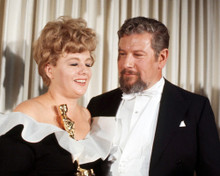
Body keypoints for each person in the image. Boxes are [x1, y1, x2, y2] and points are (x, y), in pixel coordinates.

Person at [87, 16, 220, 176]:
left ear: (162, 58)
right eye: (122, 53)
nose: (126, 63)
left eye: (138, 55)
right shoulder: (98, 104)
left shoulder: (195, 107)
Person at [0, 16, 114, 175]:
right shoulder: (28, 115)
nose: (84, 71)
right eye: (74, 63)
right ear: (49, 70)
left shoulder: (88, 115)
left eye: (87, 63)